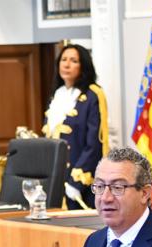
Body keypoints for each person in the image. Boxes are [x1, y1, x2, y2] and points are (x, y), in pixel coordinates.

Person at [43, 44, 109, 210]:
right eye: (64, 60)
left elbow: (94, 144)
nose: (66, 64)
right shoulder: (57, 94)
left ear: (83, 65)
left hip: (80, 181)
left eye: (73, 61)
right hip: (55, 179)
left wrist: (77, 183)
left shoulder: (93, 94)